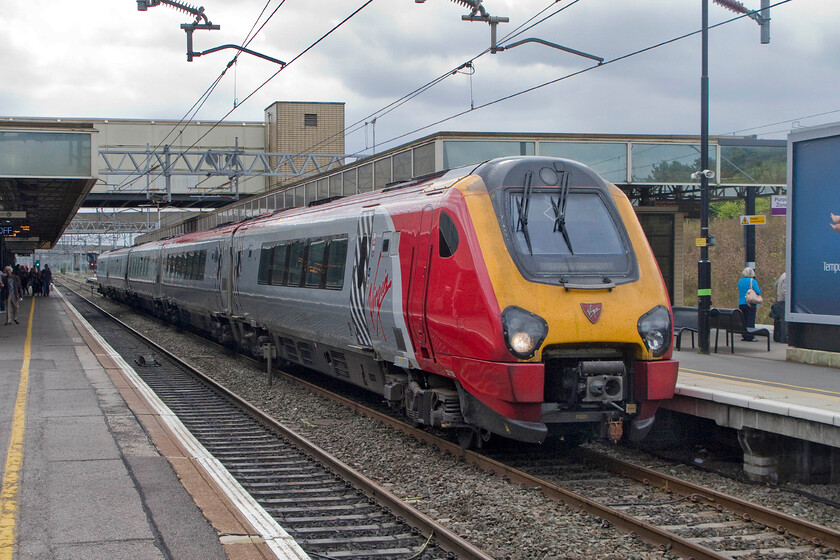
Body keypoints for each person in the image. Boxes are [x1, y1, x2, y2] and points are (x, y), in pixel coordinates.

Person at [737, 266, 761, 341]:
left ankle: (744, 335)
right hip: (750, 303)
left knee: (743, 319)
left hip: (741, 303)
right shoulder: (752, 281)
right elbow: (758, 291)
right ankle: (750, 336)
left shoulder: (740, 281)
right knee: (750, 319)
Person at [770, 272, 787, 343]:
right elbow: (784, 291)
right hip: (784, 301)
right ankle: (784, 338)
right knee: (785, 321)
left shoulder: (782, 275)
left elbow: (776, 284)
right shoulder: (786, 277)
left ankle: (783, 337)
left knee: (783, 320)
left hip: (780, 300)